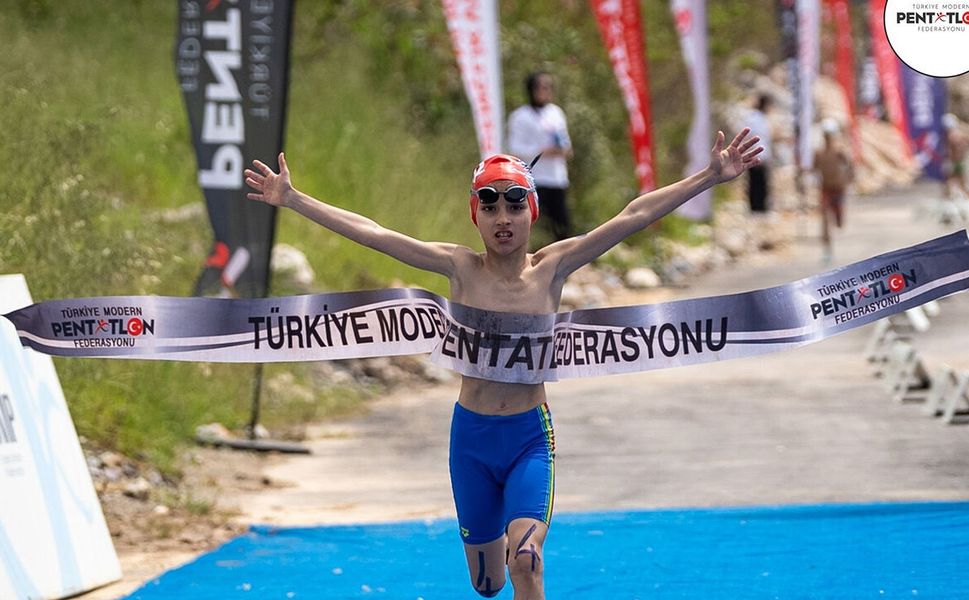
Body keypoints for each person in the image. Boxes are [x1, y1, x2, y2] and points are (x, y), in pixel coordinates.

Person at [244, 128, 762, 599]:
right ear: (477, 216)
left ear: (531, 212)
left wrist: (710, 176)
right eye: (490, 208)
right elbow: (375, 233)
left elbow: (633, 215)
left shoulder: (551, 270)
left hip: (528, 439)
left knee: (526, 563)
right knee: (488, 582)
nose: (503, 219)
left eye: (515, 206)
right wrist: (293, 200)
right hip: (470, 439)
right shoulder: (459, 267)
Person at [507, 72, 573, 241]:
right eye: (541, 87)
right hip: (535, 178)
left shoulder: (556, 113)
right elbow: (515, 147)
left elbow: (565, 142)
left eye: (548, 87)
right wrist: (541, 151)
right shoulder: (520, 117)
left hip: (557, 177)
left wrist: (563, 150)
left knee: (561, 225)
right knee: (535, 224)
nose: (546, 91)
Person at [813, 118, 854, 264]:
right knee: (824, 218)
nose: (827, 137)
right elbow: (814, 169)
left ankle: (838, 221)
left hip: (839, 189)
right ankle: (827, 249)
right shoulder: (819, 153)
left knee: (839, 222)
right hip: (825, 189)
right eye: (826, 134)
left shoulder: (839, 151)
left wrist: (849, 179)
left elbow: (850, 165)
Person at [745, 94, 773, 213]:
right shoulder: (753, 118)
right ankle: (755, 207)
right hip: (755, 154)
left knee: (762, 182)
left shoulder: (762, 118)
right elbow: (751, 136)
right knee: (755, 182)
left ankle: (761, 206)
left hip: (763, 154)